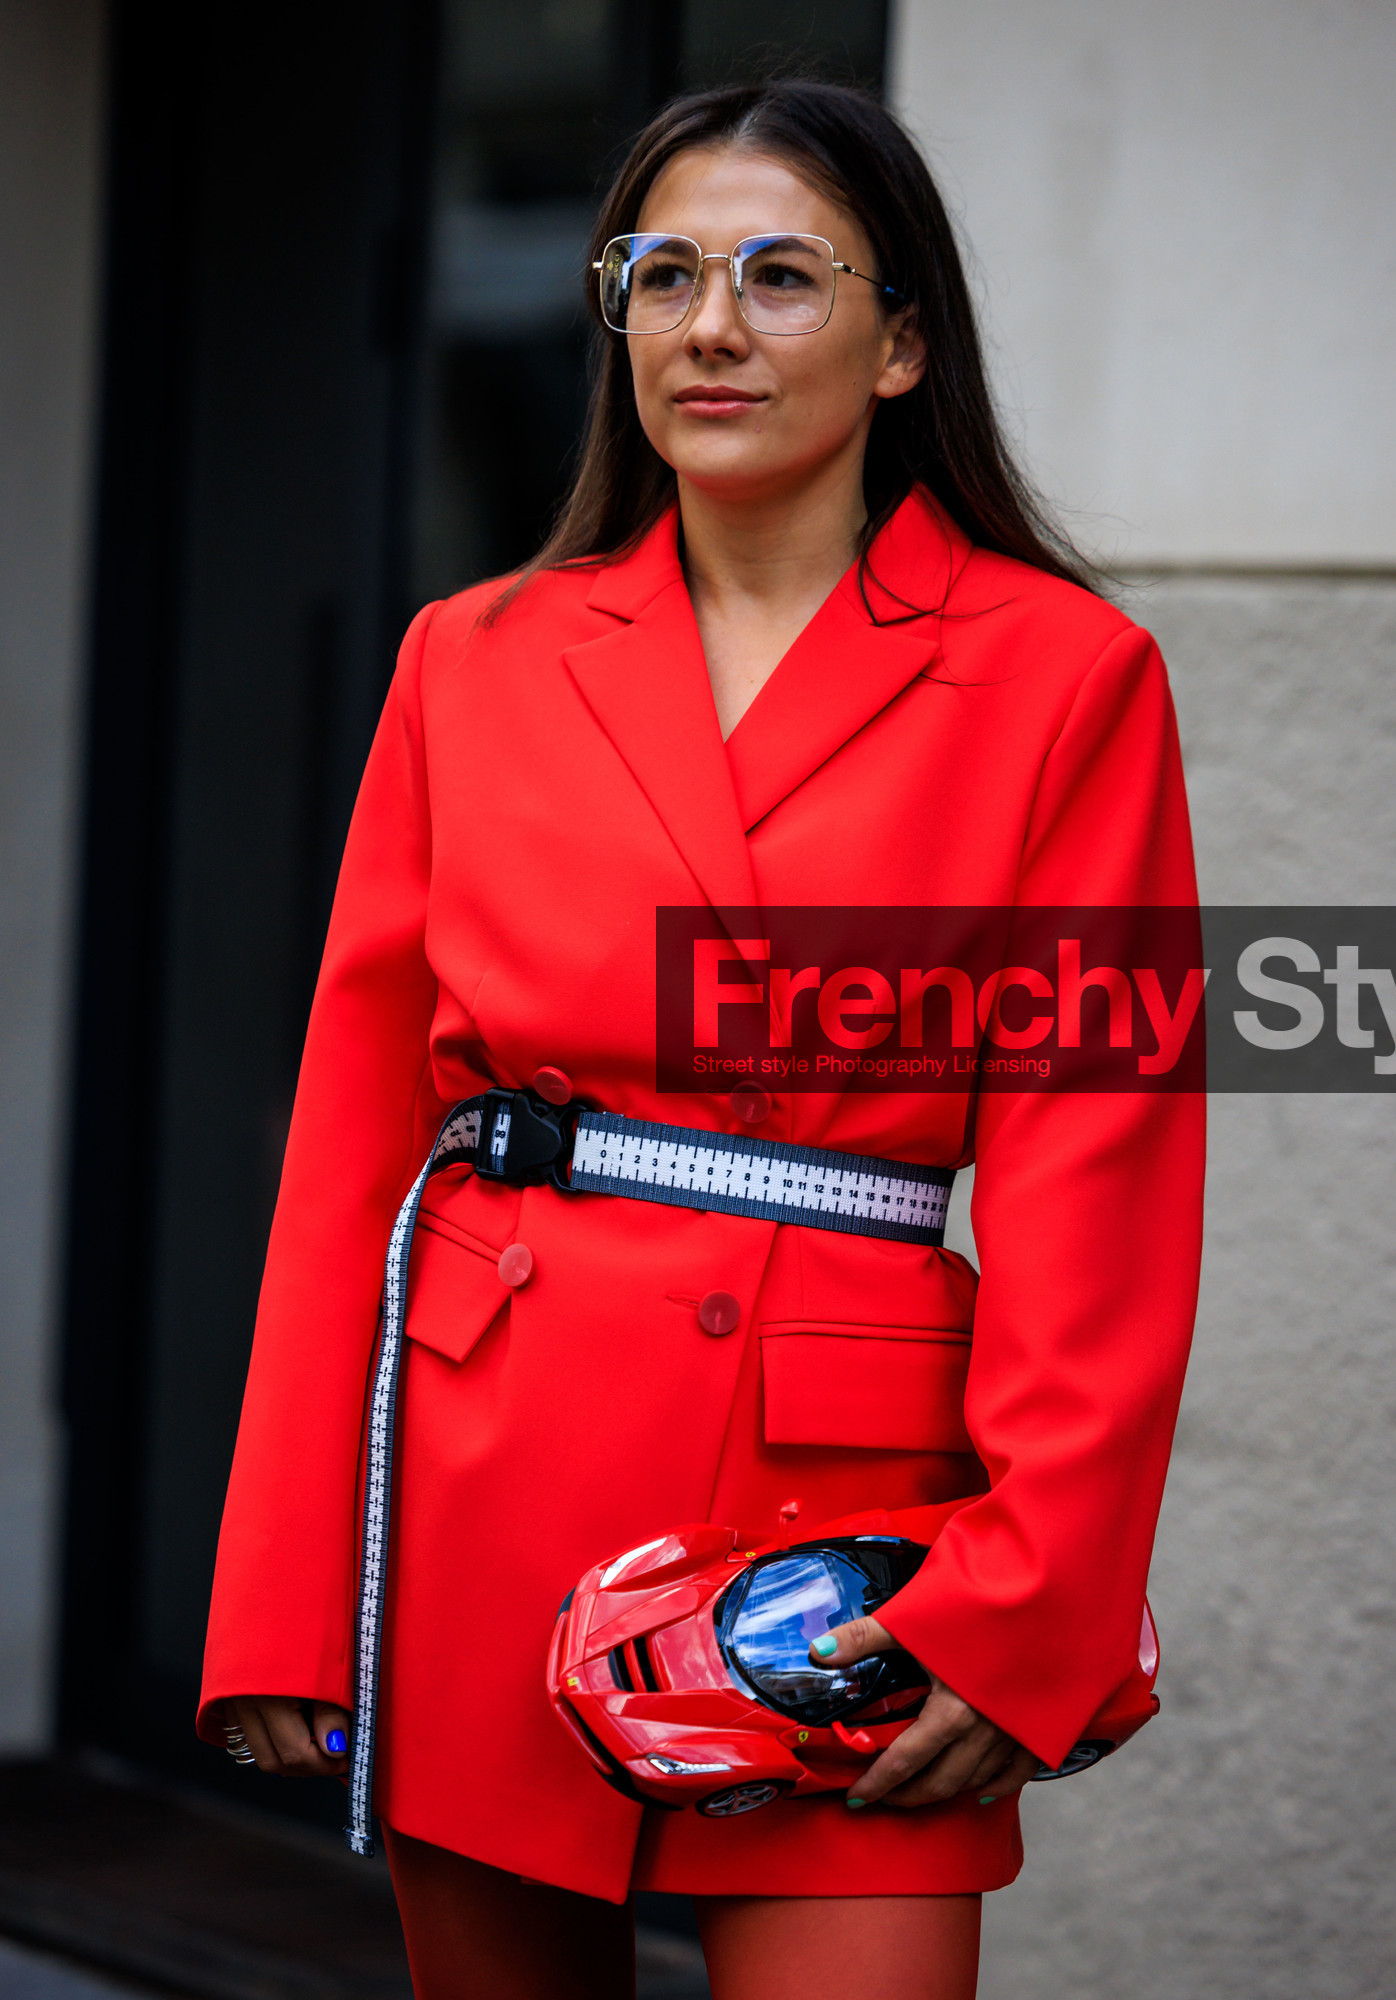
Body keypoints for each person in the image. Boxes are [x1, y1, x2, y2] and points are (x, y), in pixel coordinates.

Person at [199, 78, 1204, 2000]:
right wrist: (286, 1590)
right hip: (487, 1478)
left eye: (781, 276)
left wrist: (1033, 1598)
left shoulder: (1065, 679)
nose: (711, 324)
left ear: (904, 342)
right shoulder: (470, 661)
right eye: (661, 275)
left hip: (848, 1552)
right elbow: (350, 1148)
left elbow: (1107, 1176)